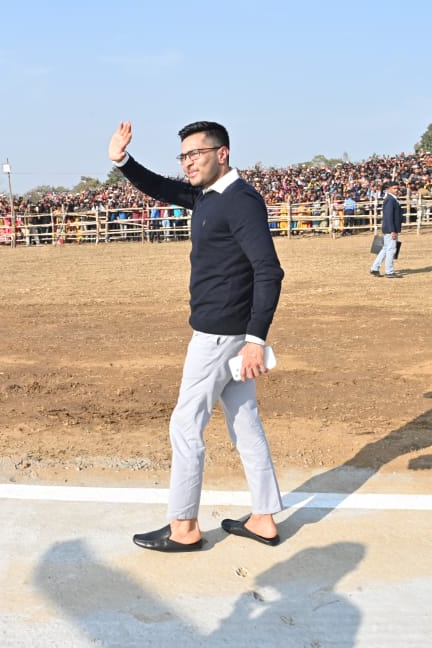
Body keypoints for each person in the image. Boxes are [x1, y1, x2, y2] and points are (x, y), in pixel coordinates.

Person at [108, 120, 285, 552]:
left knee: (186, 426)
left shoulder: (240, 201)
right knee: (245, 423)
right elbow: (161, 188)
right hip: (228, 335)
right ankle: (264, 518)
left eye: (196, 154)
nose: (188, 163)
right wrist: (123, 161)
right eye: (183, 156)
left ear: (222, 154)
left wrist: (255, 340)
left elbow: (269, 270)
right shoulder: (207, 196)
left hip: (219, 338)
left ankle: (183, 527)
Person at [370, 181, 403, 278]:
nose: (396, 190)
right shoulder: (390, 200)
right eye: (394, 188)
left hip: (390, 228)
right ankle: (389, 271)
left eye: (397, 188)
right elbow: (388, 217)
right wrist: (392, 230)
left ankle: (375, 268)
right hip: (390, 228)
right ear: (389, 189)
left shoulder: (392, 199)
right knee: (391, 249)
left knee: (385, 249)